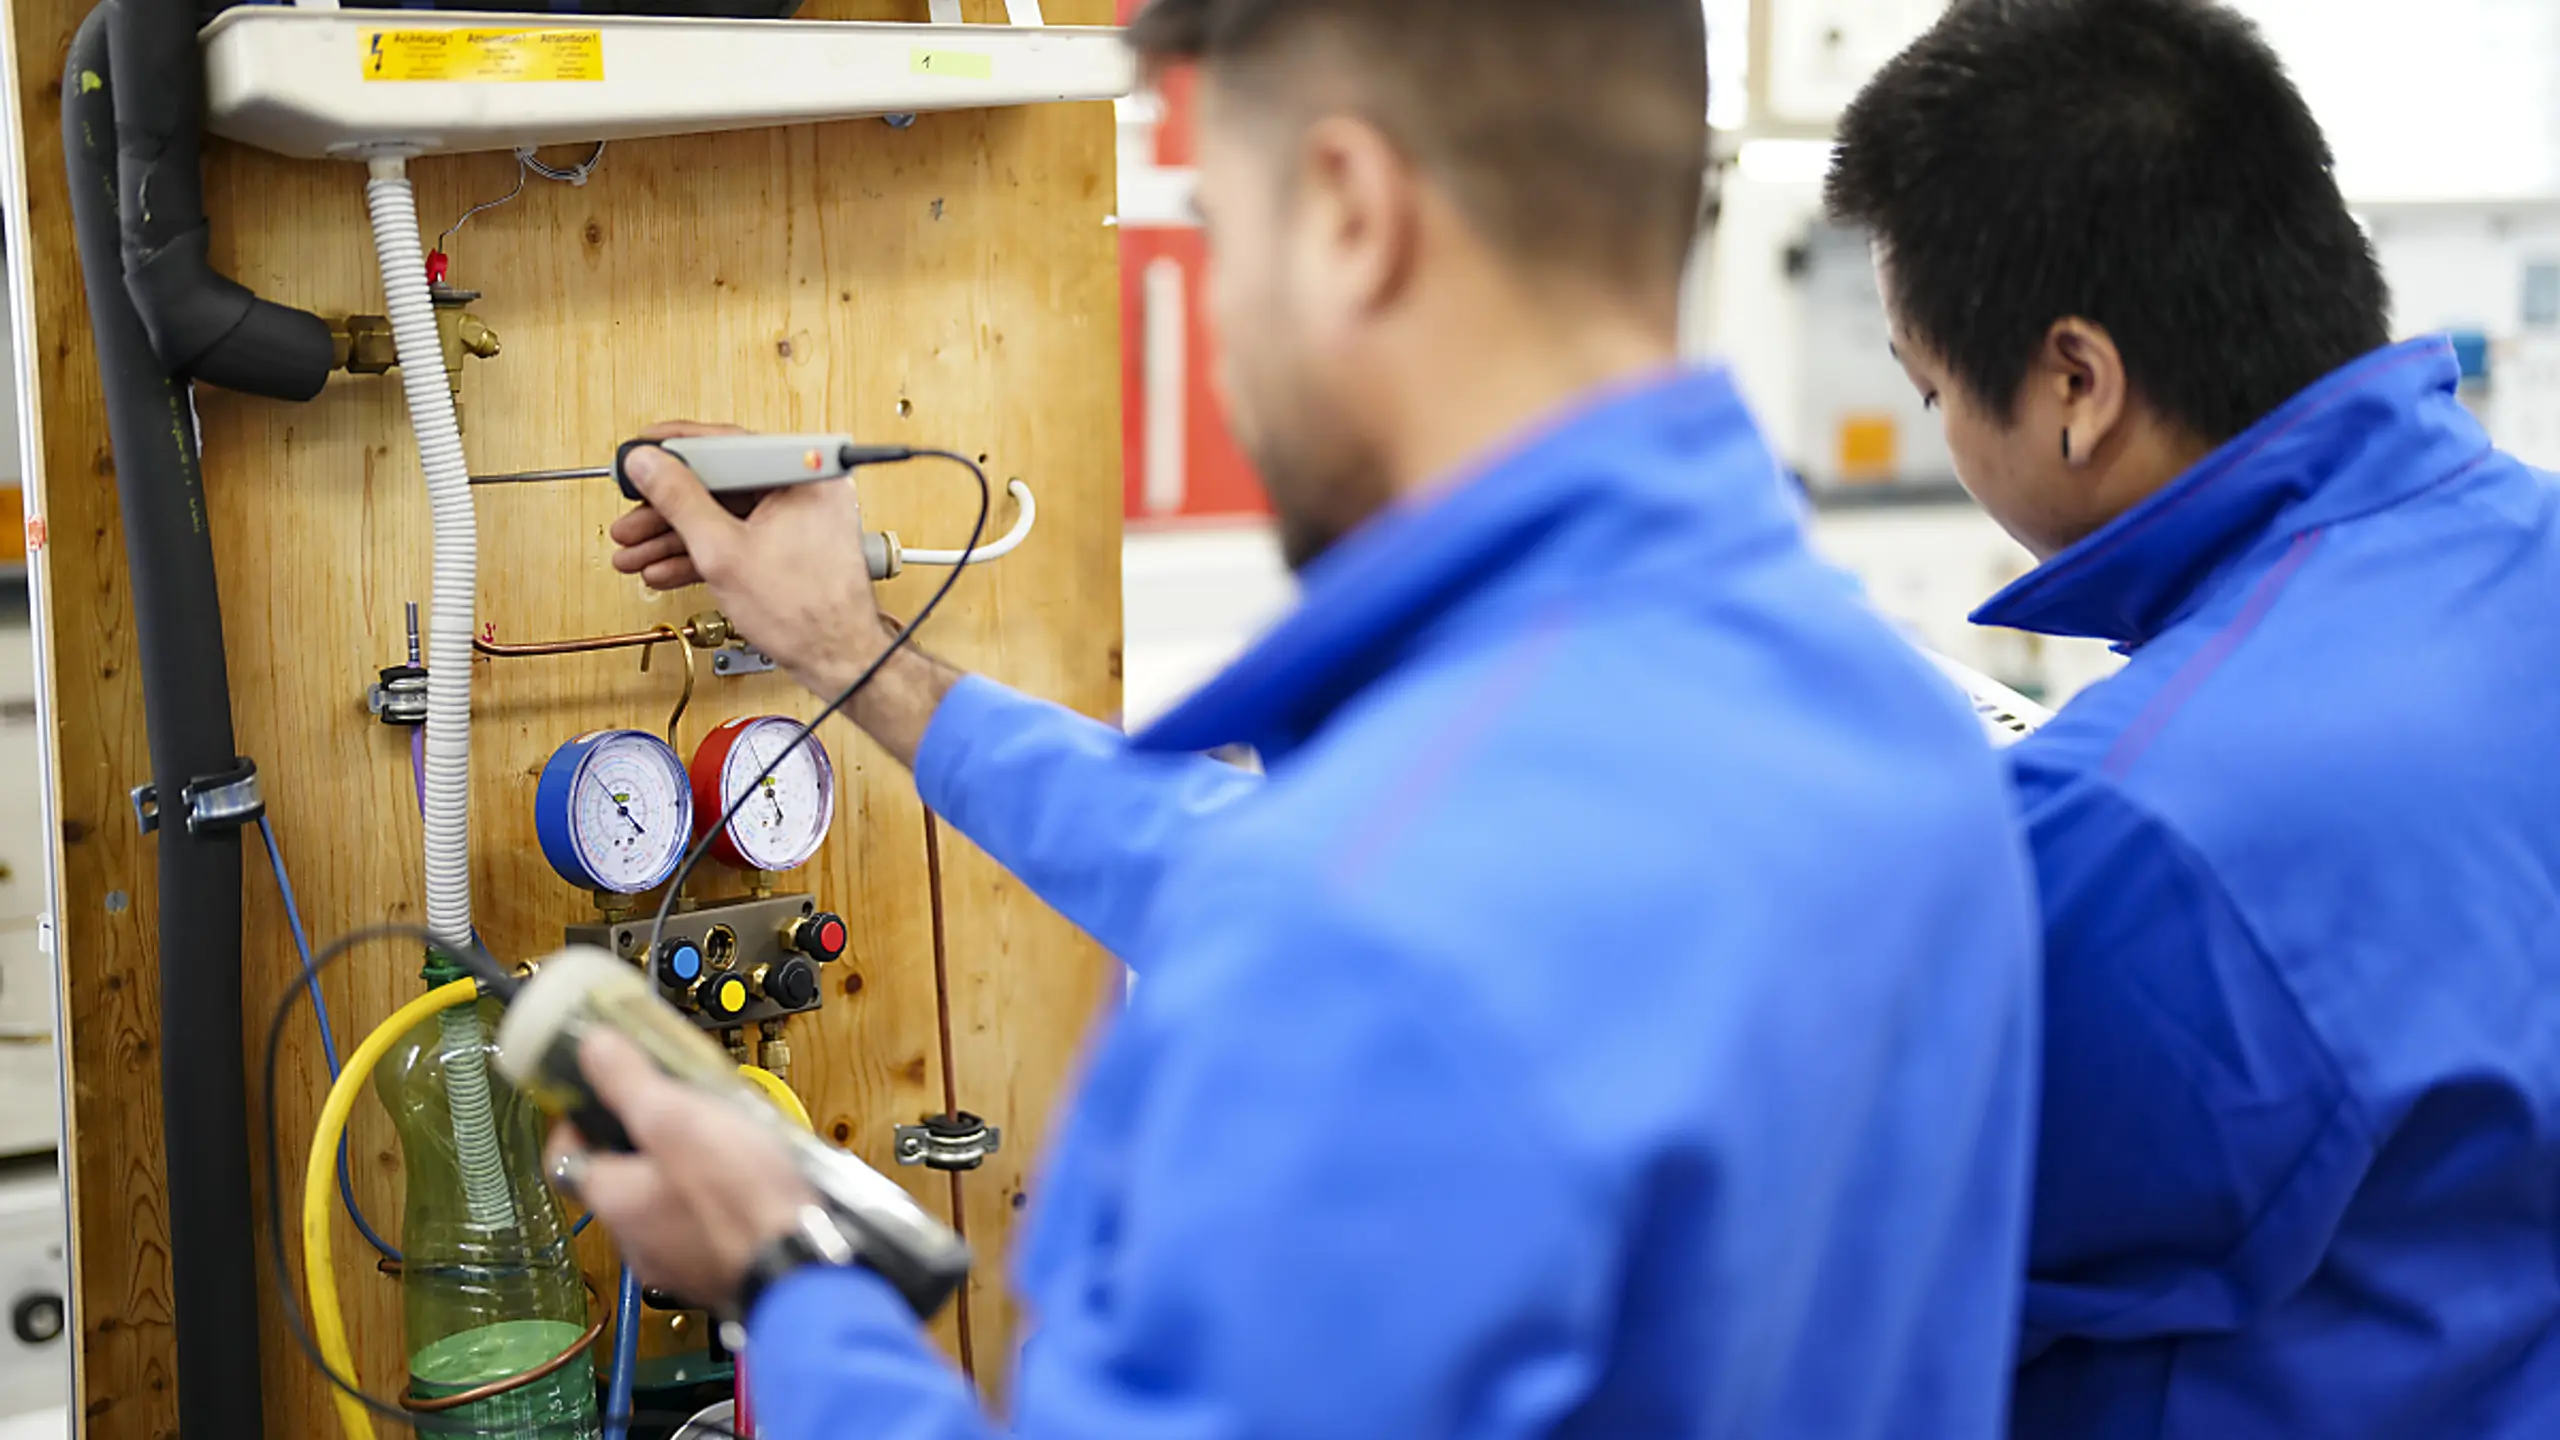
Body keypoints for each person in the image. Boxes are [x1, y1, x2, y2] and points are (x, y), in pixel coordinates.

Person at [555, 1, 2043, 1434]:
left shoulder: (1357, 929)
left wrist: (783, 1276)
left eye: (1216, 235)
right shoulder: (1899, 727)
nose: (1217, 333)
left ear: (1348, 214)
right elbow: (1246, 859)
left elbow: (1339, 915)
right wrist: (854, 652)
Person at [1824, 1, 2560, 1435]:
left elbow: (1866, 1277)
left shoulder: (2140, 825)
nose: (1945, 438)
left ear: (2076, 385)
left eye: (1931, 393)